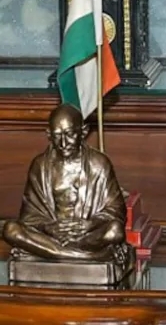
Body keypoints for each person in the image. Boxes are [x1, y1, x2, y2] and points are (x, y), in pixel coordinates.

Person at [2, 104, 130, 264]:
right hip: (51, 235)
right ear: (48, 135)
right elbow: (29, 216)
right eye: (57, 135)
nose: (63, 143)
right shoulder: (40, 166)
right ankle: (88, 256)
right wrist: (49, 227)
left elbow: (115, 209)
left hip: (86, 235)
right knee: (10, 229)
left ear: (83, 132)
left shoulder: (99, 164)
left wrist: (90, 224)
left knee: (114, 231)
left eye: (69, 134)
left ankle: (52, 253)